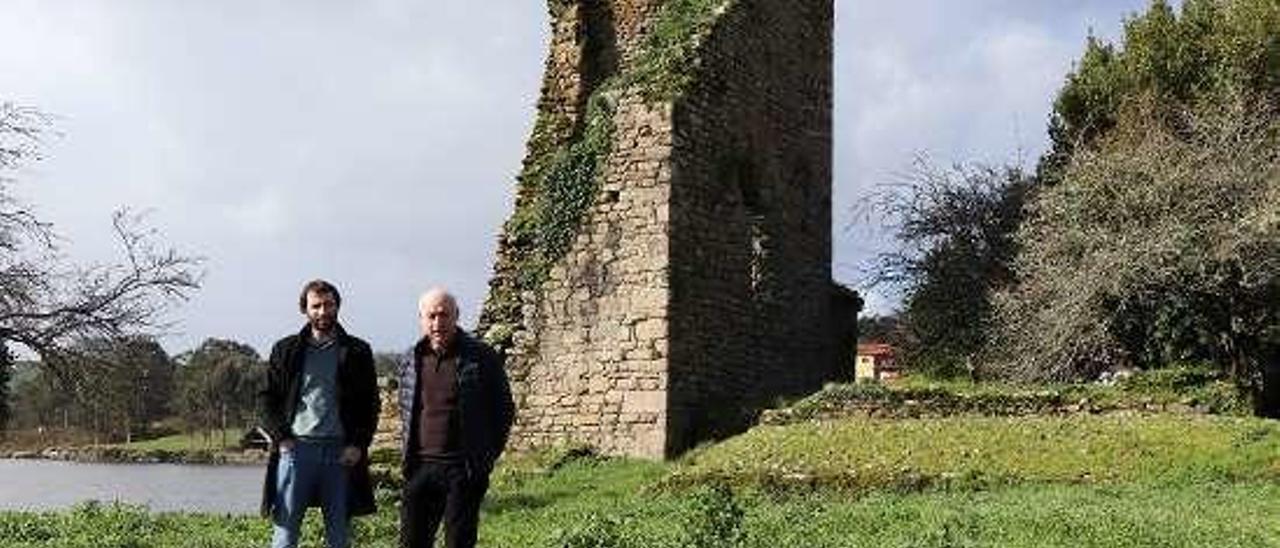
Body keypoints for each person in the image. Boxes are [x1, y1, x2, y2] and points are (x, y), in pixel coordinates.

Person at [259, 279, 380, 548]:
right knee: (285, 533)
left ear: (337, 306)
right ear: (305, 309)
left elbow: (370, 404)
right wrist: (282, 438)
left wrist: (358, 444)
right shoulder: (286, 350)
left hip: (340, 454)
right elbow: (267, 399)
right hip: (296, 452)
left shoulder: (358, 351)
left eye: (328, 305)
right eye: (316, 306)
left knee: (339, 535)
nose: (323, 311)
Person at [398, 287, 515, 548]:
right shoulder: (411, 358)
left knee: (458, 542)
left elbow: (503, 410)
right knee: (411, 542)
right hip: (420, 468)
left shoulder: (481, 356)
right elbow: (406, 408)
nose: (437, 323)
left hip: (463, 470)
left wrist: (485, 457)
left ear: (456, 316)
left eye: (444, 315)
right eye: (431, 316)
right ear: (421, 318)